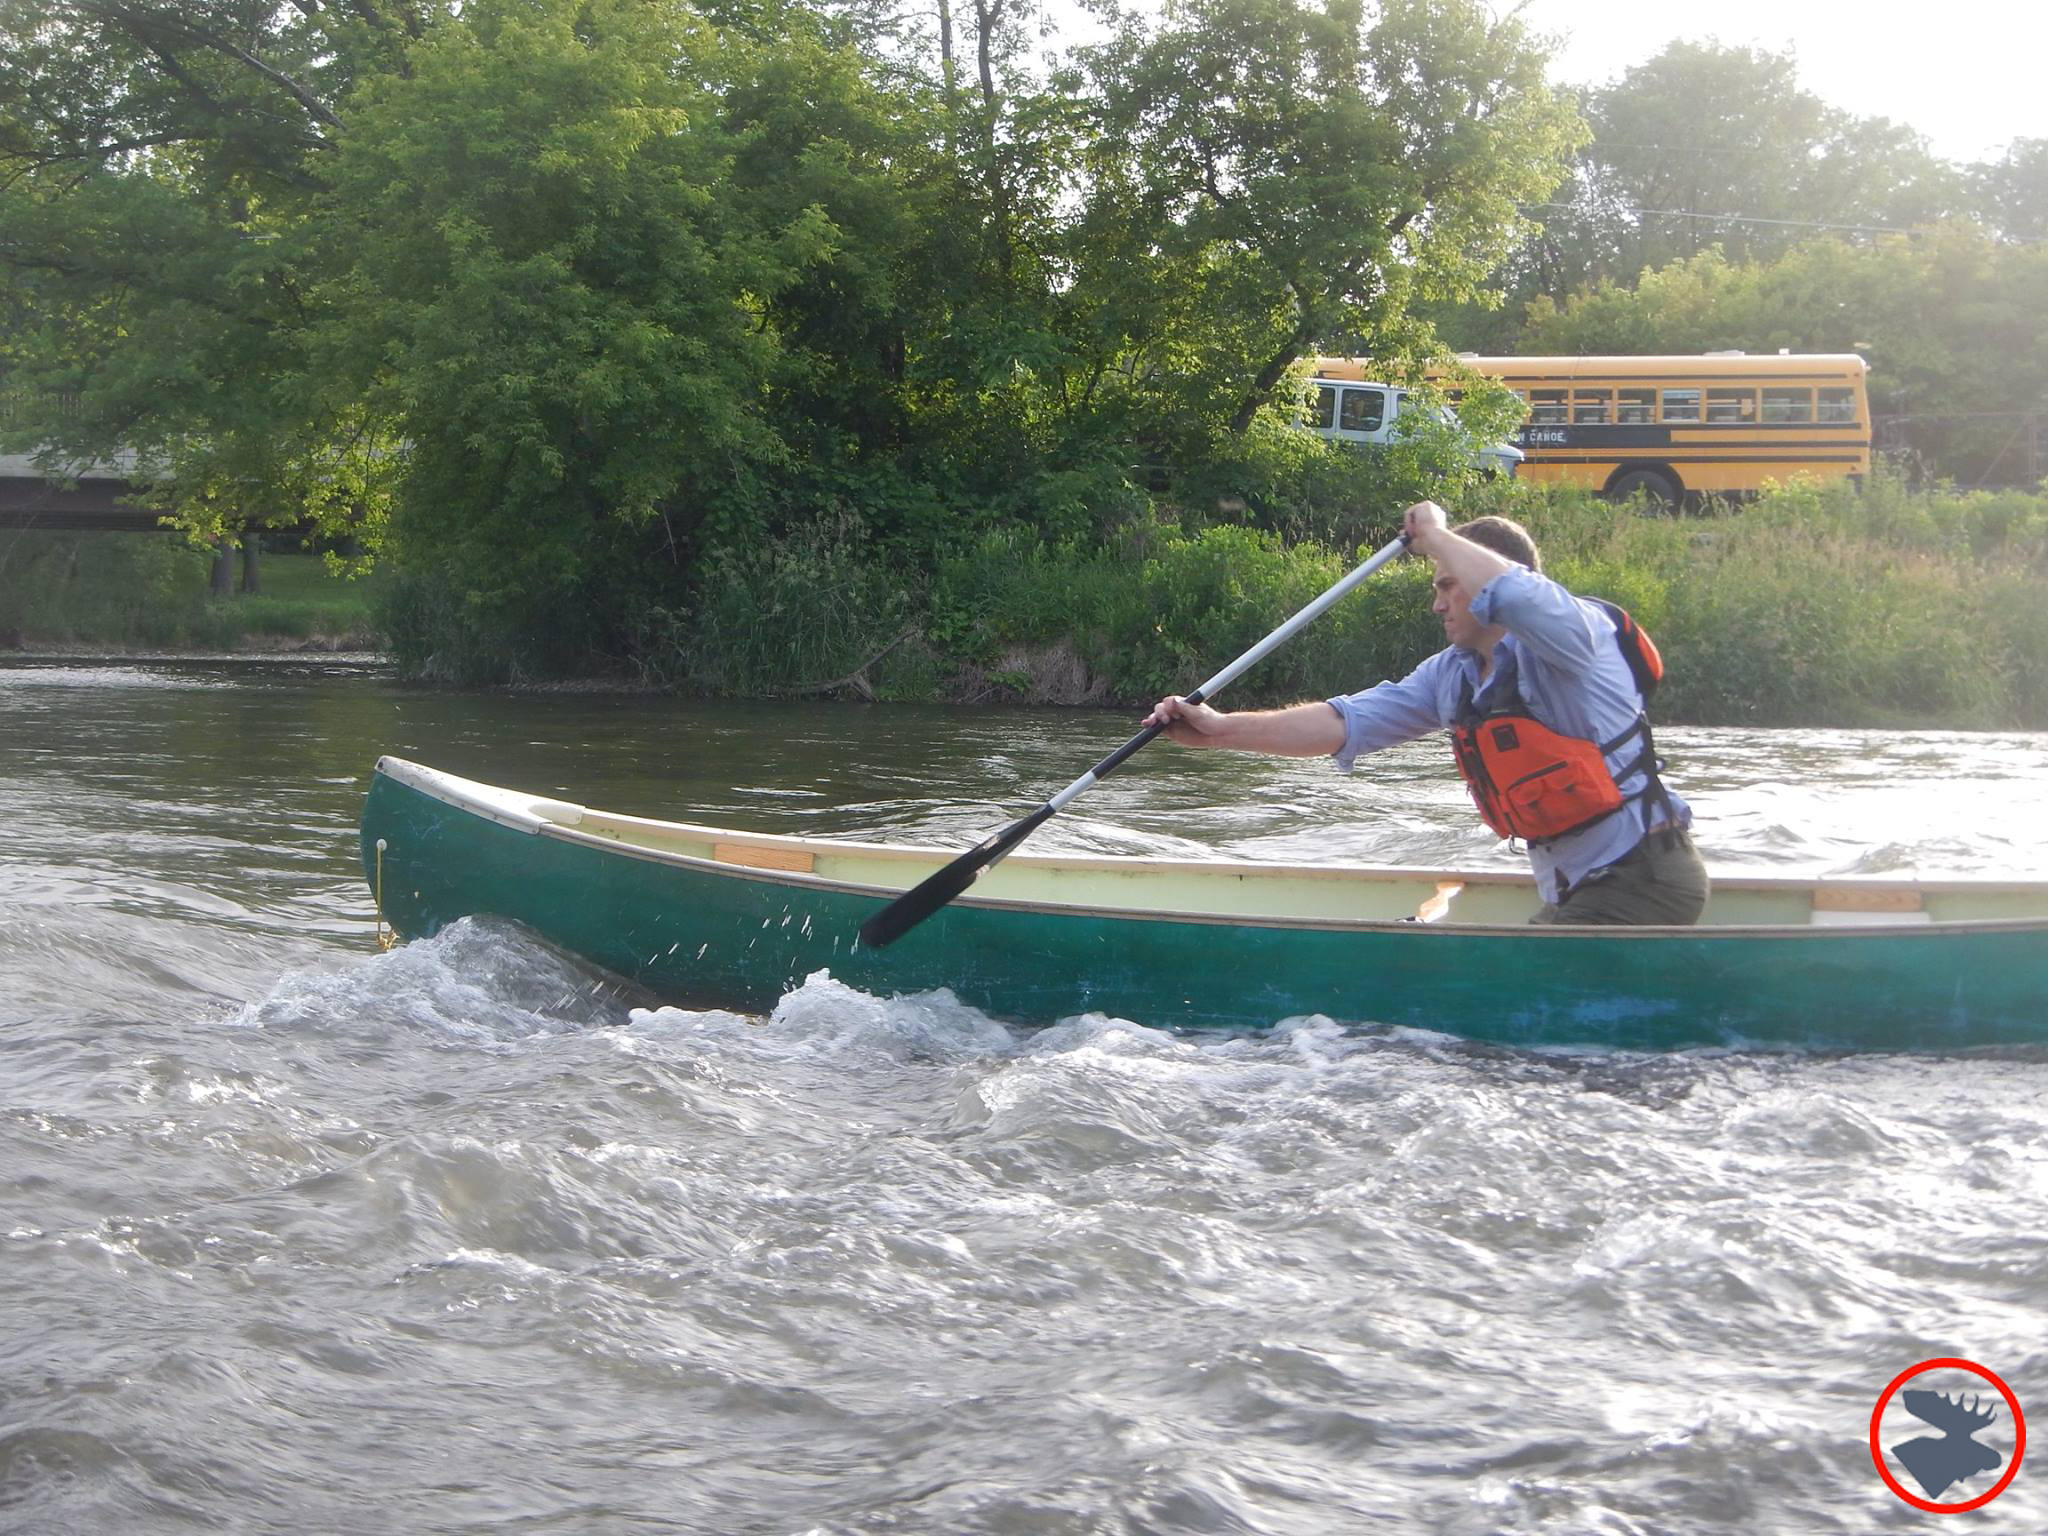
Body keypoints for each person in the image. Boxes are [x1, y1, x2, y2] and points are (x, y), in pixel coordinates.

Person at [1143, 501, 1709, 925]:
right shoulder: (1453, 674)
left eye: (1447, 585)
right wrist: (1219, 731)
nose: (1436, 603)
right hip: (1579, 890)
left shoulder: (1578, 635)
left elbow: (1516, 594)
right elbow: (1344, 723)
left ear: (1484, 575)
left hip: (1642, 879)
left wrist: (1435, 534)